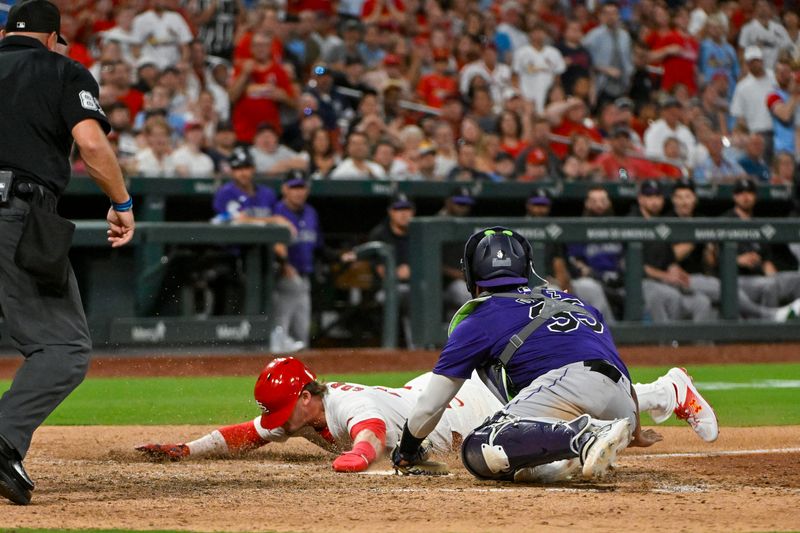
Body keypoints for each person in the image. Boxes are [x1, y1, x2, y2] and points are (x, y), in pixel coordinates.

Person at [391, 226, 718, 483]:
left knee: (480, 448)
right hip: (619, 398)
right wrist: (631, 428)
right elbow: (613, 367)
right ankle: (642, 405)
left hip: (568, 387)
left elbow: (430, 405)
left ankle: (584, 437)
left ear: (472, 275)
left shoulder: (480, 318)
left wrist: (407, 451)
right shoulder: (572, 300)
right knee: (521, 465)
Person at [0, 0, 135, 506]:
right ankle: (3, 438)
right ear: (55, 37)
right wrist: (120, 202)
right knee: (63, 349)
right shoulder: (62, 68)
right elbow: (92, 145)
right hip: (14, 212)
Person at [630, 180, 714, 323]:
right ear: (640, 199)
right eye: (649, 197)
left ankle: (698, 345)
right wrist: (666, 276)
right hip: (642, 283)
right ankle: (667, 343)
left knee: (702, 302)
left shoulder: (662, 224)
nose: (654, 201)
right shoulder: (632, 221)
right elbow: (635, 267)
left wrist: (676, 272)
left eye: (657, 197)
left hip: (664, 281)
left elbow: (669, 259)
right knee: (670, 295)